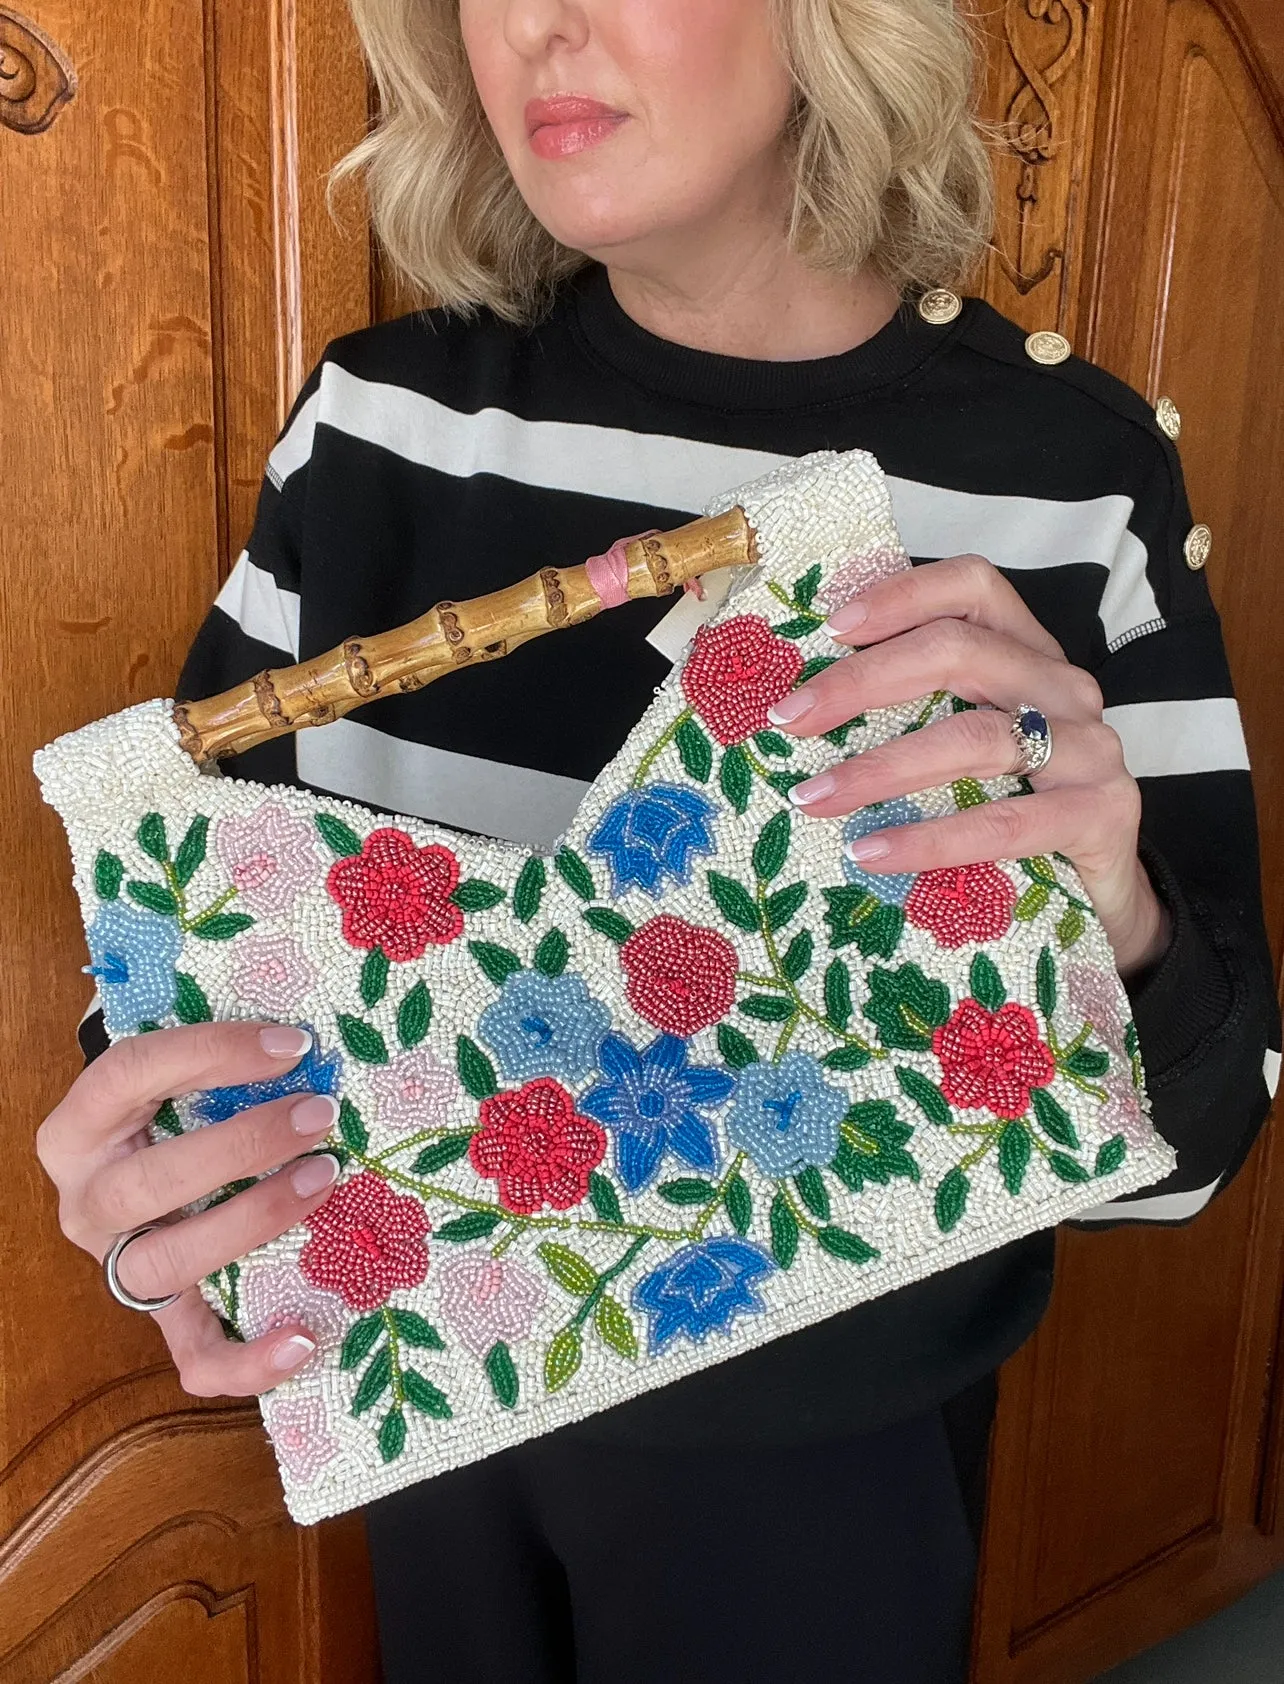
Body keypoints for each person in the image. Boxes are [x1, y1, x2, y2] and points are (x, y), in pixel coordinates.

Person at [35, 1, 1279, 1680]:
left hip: (835, 1471)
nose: (536, 28)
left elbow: (1198, 1147)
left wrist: (1113, 911)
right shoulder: (380, 425)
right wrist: (157, 1160)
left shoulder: (1069, 475)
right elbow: (190, 964)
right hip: (429, 1417)